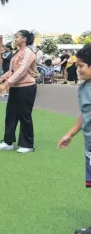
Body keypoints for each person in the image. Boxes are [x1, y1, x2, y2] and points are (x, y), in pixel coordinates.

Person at [56, 44, 91, 234]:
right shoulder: (84, 88)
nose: (77, 70)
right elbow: (85, 114)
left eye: (81, 66)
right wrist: (69, 134)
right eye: (76, 65)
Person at [0, 30, 37, 153]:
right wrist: (3, 77)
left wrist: (6, 84)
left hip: (27, 88)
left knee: (25, 116)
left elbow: (22, 71)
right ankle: (8, 142)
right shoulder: (17, 53)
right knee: (11, 115)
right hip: (15, 88)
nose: (15, 39)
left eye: (17, 37)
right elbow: (12, 71)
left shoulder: (29, 53)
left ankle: (27, 145)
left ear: (24, 39)